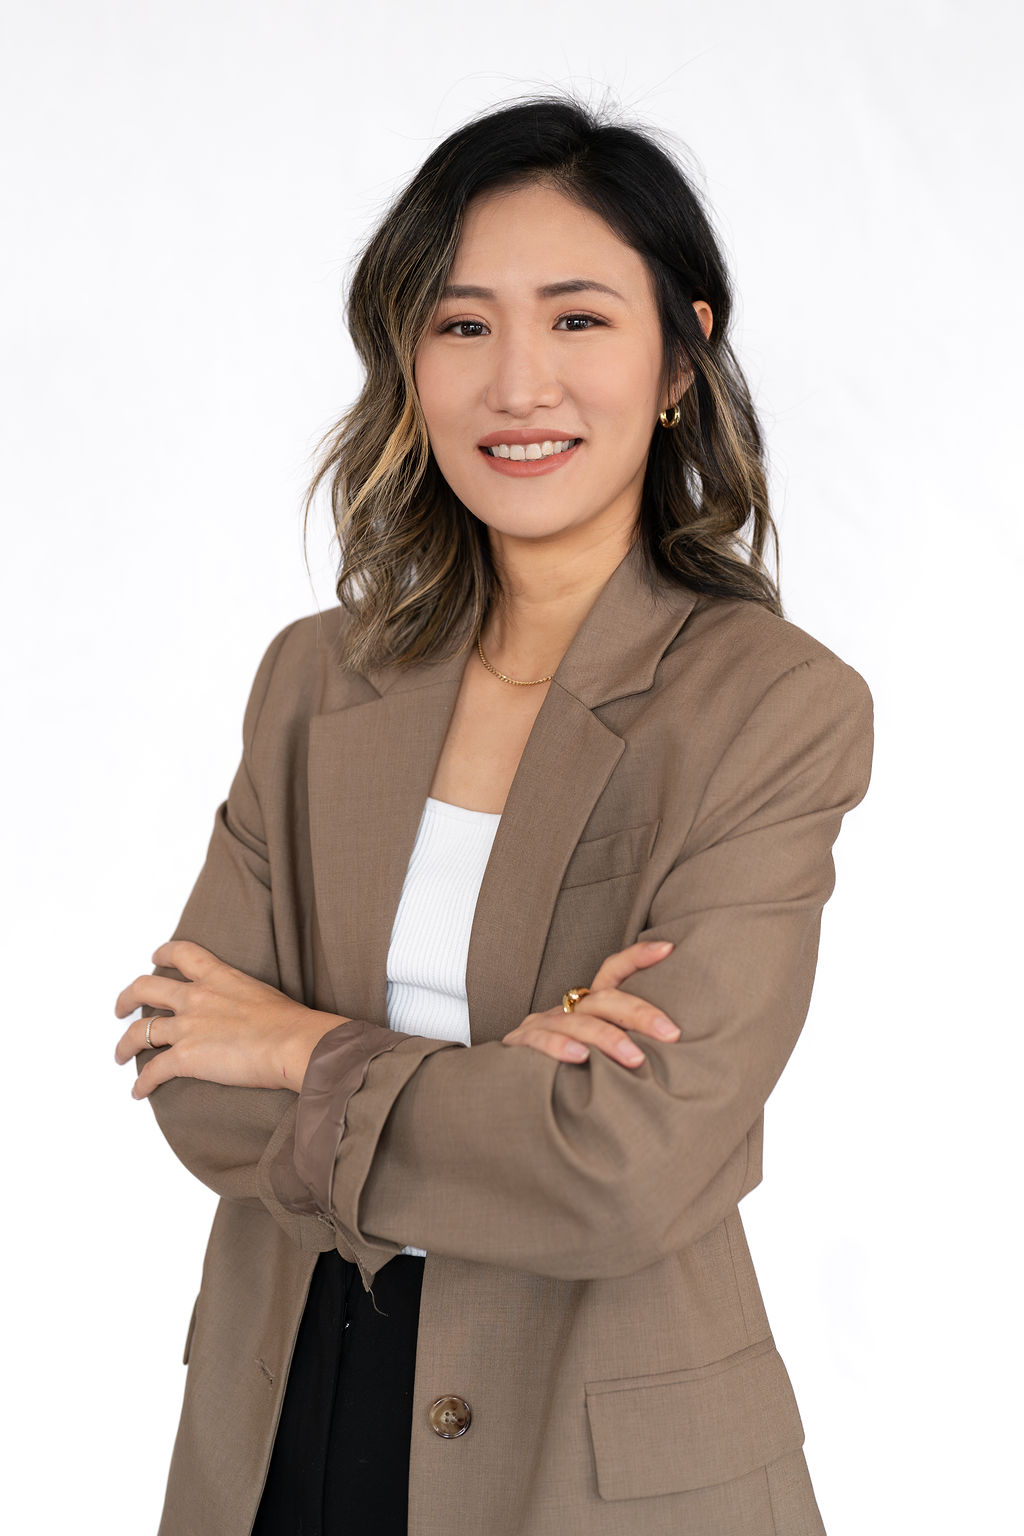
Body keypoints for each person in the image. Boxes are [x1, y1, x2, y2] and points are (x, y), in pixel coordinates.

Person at [114, 92, 873, 1536]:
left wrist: (304, 1049)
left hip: (598, 1467)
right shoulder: (315, 681)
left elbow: (622, 1167)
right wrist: (475, 1088)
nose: (517, 383)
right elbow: (189, 1080)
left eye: (578, 320)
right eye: (461, 327)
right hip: (280, 1421)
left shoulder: (771, 707)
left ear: (678, 357)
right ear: (408, 364)